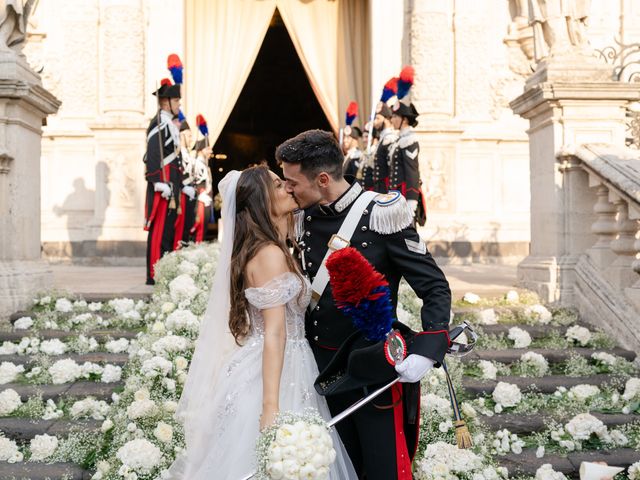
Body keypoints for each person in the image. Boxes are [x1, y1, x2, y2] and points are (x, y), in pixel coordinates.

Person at [278, 129, 451, 480]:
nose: (288, 190)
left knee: (381, 467)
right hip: (317, 369)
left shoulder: (382, 213)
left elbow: (434, 286)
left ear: (323, 179)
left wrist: (429, 347)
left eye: (293, 182)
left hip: (371, 367)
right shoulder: (302, 216)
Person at [167, 166, 356, 479]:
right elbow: (275, 332)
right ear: (260, 200)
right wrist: (270, 405)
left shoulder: (271, 247)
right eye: (279, 185)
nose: (289, 189)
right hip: (277, 370)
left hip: (282, 361)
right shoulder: (269, 254)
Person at [144, 78, 185, 285]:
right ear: (165, 102)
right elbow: (152, 154)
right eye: (176, 101)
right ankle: (154, 273)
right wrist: (157, 181)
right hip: (163, 183)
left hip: (173, 184)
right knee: (159, 230)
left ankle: (163, 270)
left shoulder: (168, 123)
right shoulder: (159, 122)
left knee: (168, 230)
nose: (179, 105)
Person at [389, 100, 427, 226]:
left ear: (404, 120)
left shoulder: (409, 140)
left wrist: (411, 201)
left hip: (405, 198)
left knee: (408, 240)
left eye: (395, 116)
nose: (392, 120)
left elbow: (412, 172)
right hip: (396, 197)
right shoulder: (400, 140)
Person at [372, 101, 398, 193]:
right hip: (379, 188)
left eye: (377, 118)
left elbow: (393, 167)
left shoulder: (390, 138)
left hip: (386, 189)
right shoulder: (383, 139)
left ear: (386, 119)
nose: (375, 122)